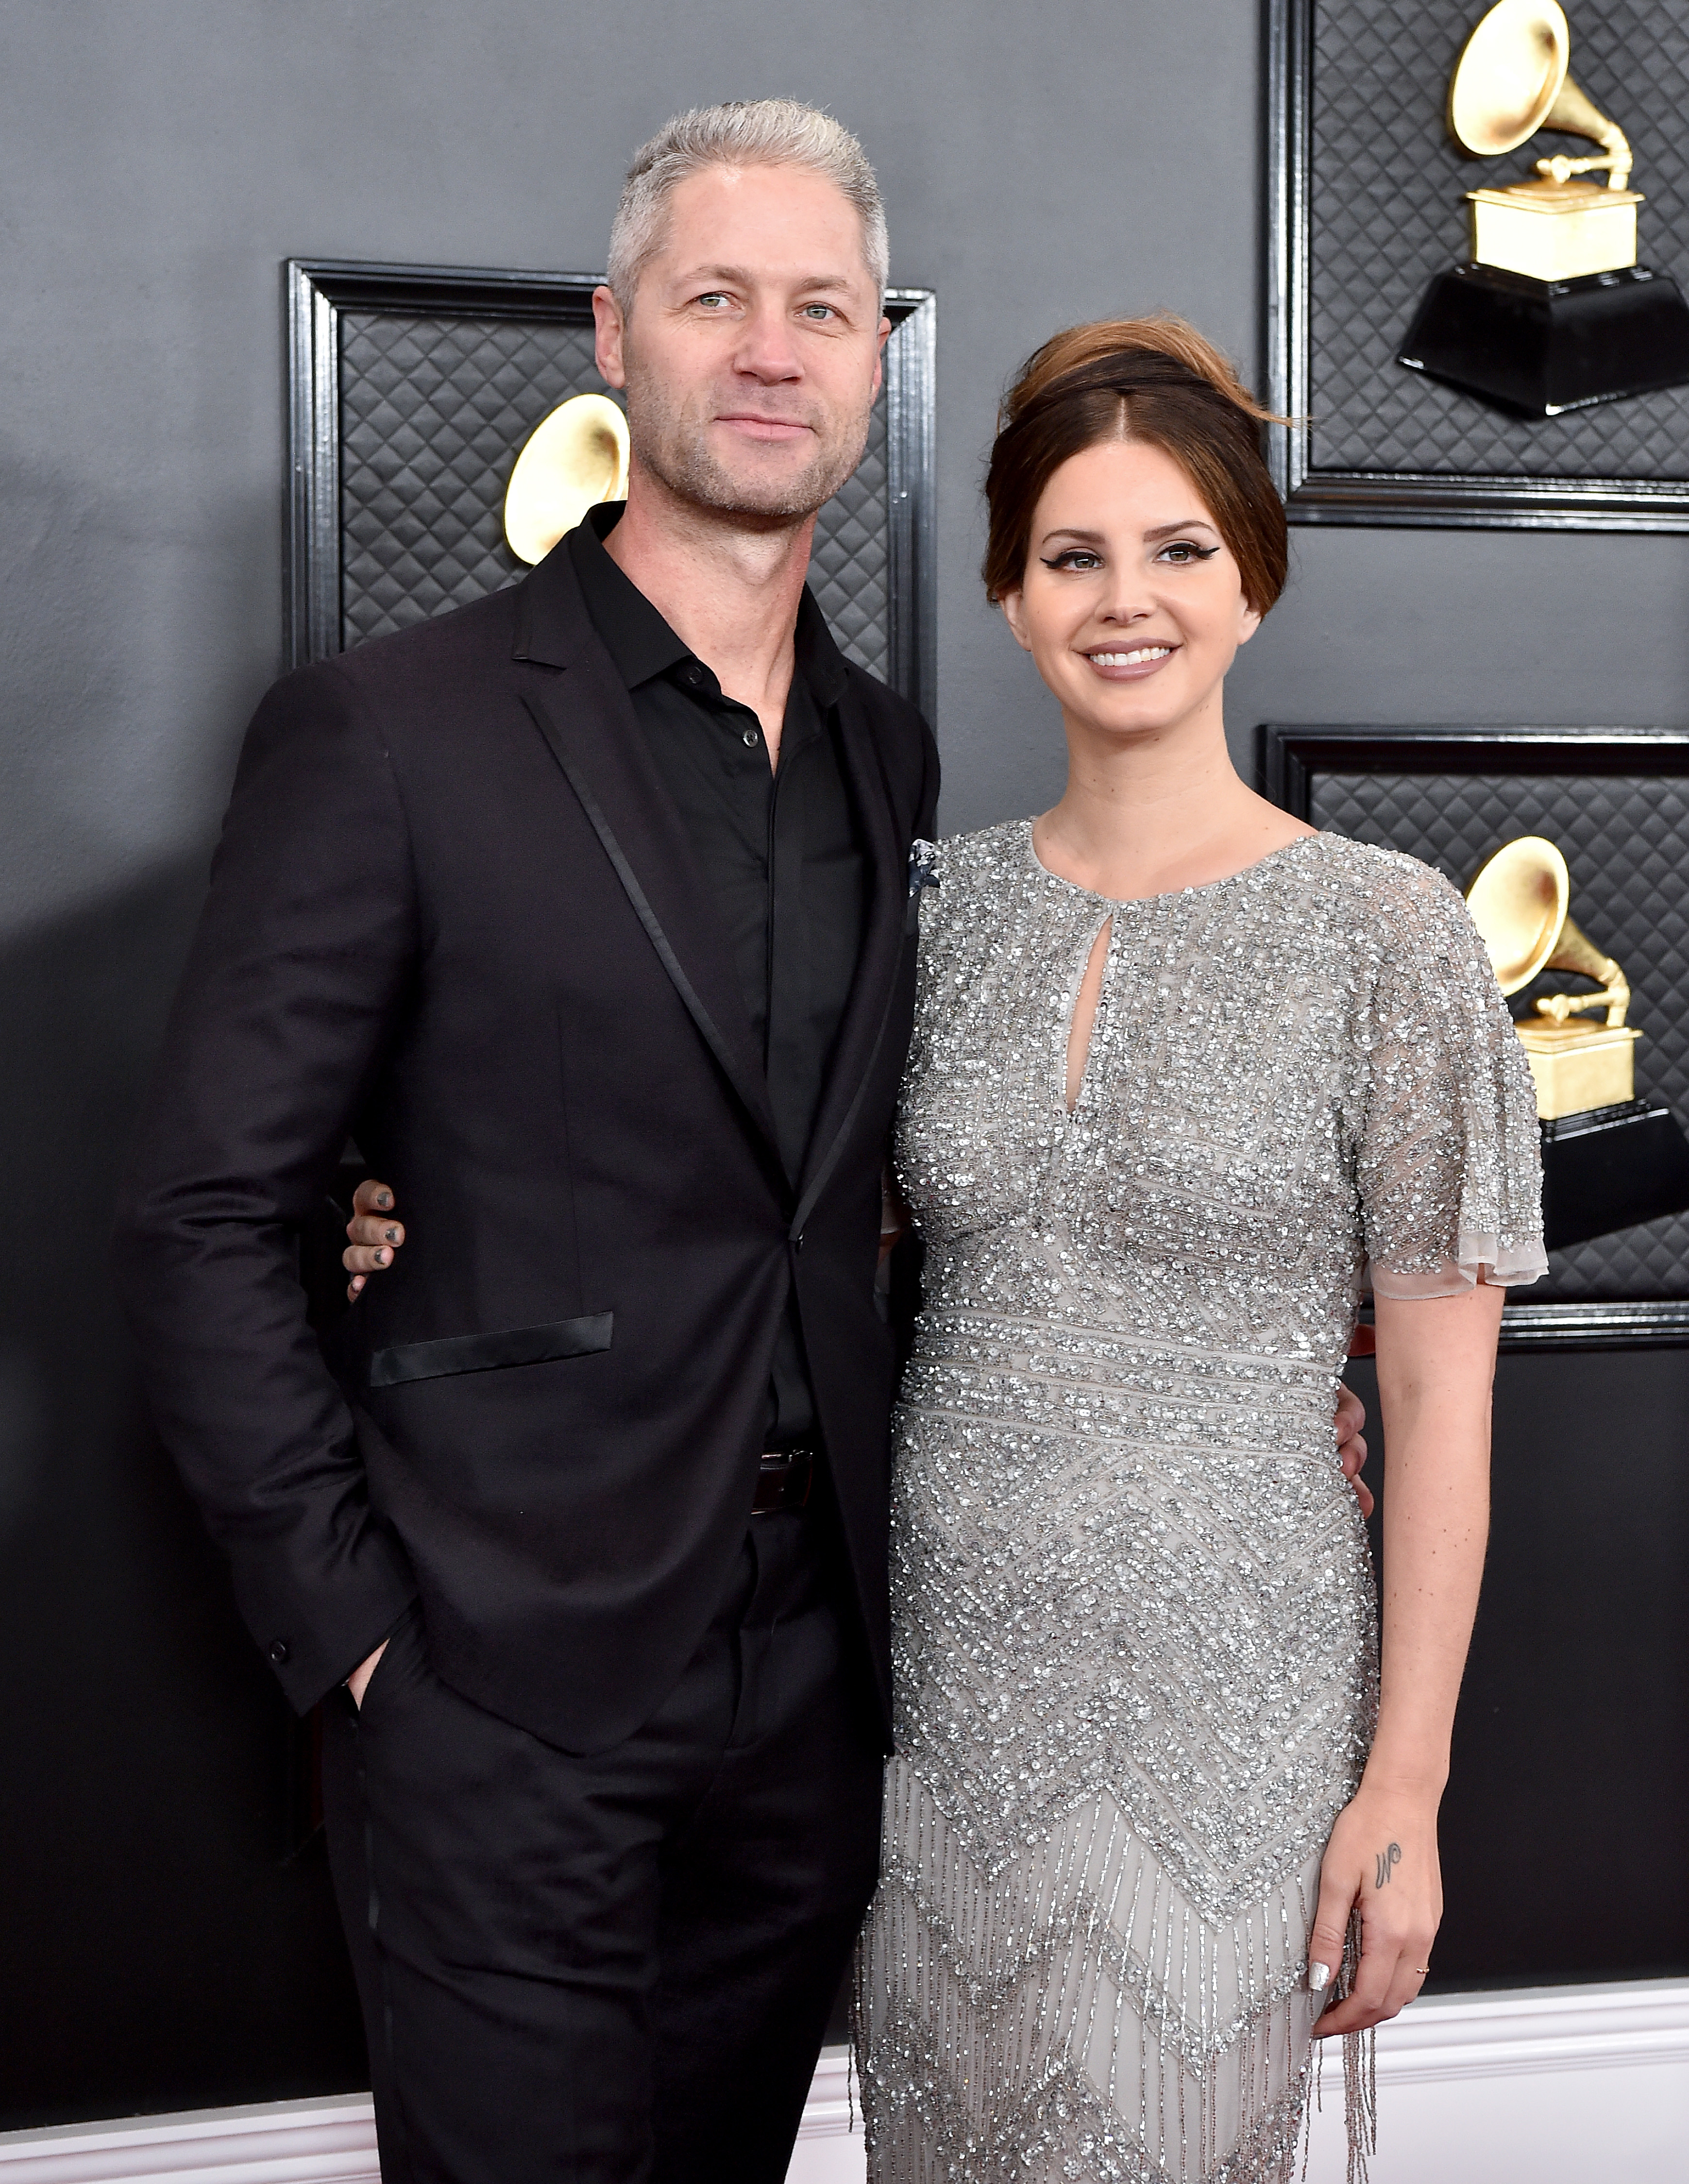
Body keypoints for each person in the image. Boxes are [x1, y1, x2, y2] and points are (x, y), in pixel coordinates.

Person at [117, 98, 1371, 2184]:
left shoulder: (893, 754)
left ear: (878, 358)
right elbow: (202, 1218)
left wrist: (1278, 1375)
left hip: (829, 1688)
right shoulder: (393, 730)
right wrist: (359, 1647)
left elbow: (910, 1179)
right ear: (619, 334)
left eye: (820, 308)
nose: (771, 351)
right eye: (719, 299)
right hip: (495, 1681)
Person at [849, 318, 1546, 2183]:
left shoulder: (1389, 939)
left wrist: (1406, 1786)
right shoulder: (921, 914)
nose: (1124, 599)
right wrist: (412, 1212)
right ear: (1006, 592)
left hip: (1233, 1698)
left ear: (1254, 581)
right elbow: (760, 1220)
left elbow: (1437, 1400)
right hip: (940, 1703)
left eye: (1177, 551)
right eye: (1072, 555)